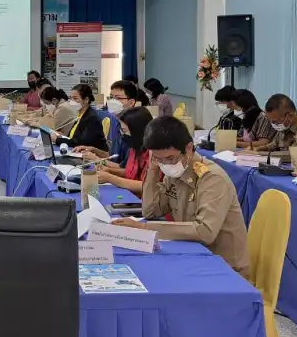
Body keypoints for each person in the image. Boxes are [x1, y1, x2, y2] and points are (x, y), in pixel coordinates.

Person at [113, 117, 250, 278]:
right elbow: (150, 211)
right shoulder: (174, 171)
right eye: (158, 158)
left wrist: (144, 228)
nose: (165, 164)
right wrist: (153, 169)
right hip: (193, 255)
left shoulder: (212, 178)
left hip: (224, 269)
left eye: (170, 158)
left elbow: (205, 232)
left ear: (189, 148)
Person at [91, 107, 154, 195]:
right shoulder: (134, 148)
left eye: (124, 130)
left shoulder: (153, 154)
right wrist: (110, 171)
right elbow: (130, 172)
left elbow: (145, 186)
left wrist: (110, 178)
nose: (122, 134)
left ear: (137, 130)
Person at [57, 84, 108, 152]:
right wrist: (62, 136)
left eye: (75, 98)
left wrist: (57, 140)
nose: (71, 101)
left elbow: (81, 143)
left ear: (86, 100)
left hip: (92, 155)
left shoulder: (92, 118)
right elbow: (74, 138)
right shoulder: (81, 115)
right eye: (70, 98)